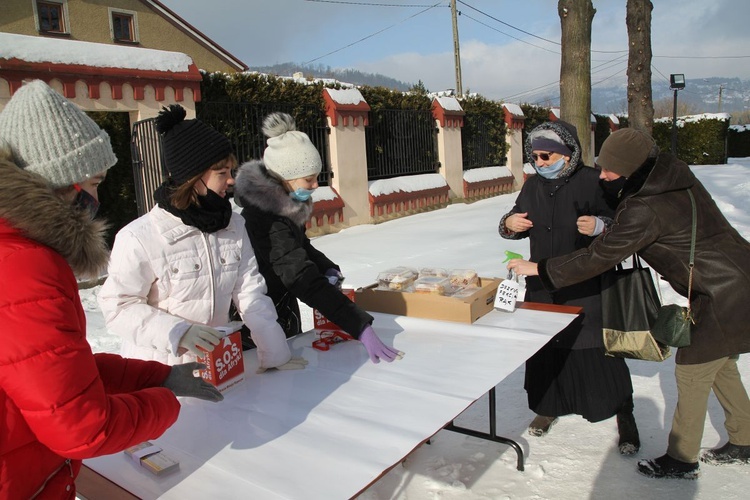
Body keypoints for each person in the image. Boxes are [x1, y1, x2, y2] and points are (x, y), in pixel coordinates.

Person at [0, 80, 222, 500]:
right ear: (64, 182)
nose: (99, 197)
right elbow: (83, 426)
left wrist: (156, 377)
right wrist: (169, 404)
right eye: (96, 182)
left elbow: (52, 369)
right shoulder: (26, 266)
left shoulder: (17, 255)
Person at [508, 127, 750, 479]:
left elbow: (599, 257)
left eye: (610, 170)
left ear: (634, 168)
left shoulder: (646, 207)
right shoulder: (673, 176)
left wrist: (540, 269)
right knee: (721, 365)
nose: (602, 175)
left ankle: (681, 459)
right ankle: (744, 438)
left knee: (693, 371)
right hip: (734, 277)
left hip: (722, 293)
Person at [98, 105, 304, 372]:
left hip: (219, 367)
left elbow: (250, 294)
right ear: (192, 178)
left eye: (231, 171)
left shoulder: (233, 225)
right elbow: (118, 307)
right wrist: (178, 333)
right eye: (222, 173)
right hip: (160, 375)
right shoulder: (139, 237)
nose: (232, 181)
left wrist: (275, 354)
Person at [499, 120, 639, 453]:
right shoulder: (532, 186)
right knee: (548, 349)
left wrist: (599, 226)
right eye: (535, 156)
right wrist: (510, 223)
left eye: (546, 155)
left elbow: (622, 226)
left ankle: (624, 412)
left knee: (597, 351)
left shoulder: (594, 181)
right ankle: (548, 408)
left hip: (586, 285)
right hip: (542, 286)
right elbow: (512, 222)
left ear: (567, 153)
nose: (540, 162)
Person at [233, 112, 401, 363]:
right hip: (257, 331)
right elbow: (301, 277)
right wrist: (359, 326)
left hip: (280, 315)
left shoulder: (283, 207)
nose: (315, 186)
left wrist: (326, 267)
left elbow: (300, 247)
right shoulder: (266, 219)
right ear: (284, 178)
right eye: (309, 179)